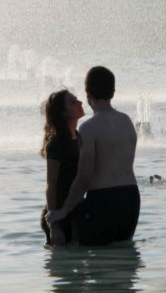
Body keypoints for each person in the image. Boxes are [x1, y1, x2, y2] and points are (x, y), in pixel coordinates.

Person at [46, 66, 139, 246]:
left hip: (104, 200)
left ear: (88, 93)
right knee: (122, 262)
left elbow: (84, 177)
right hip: (131, 198)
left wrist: (63, 211)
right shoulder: (127, 121)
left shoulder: (89, 128)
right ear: (113, 92)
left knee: (98, 264)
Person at [40, 89, 85, 246]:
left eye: (78, 99)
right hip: (58, 214)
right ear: (63, 113)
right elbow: (50, 185)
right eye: (73, 102)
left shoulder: (78, 136)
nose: (80, 103)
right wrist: (54, 226)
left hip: (75, 209)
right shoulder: (57, 142)